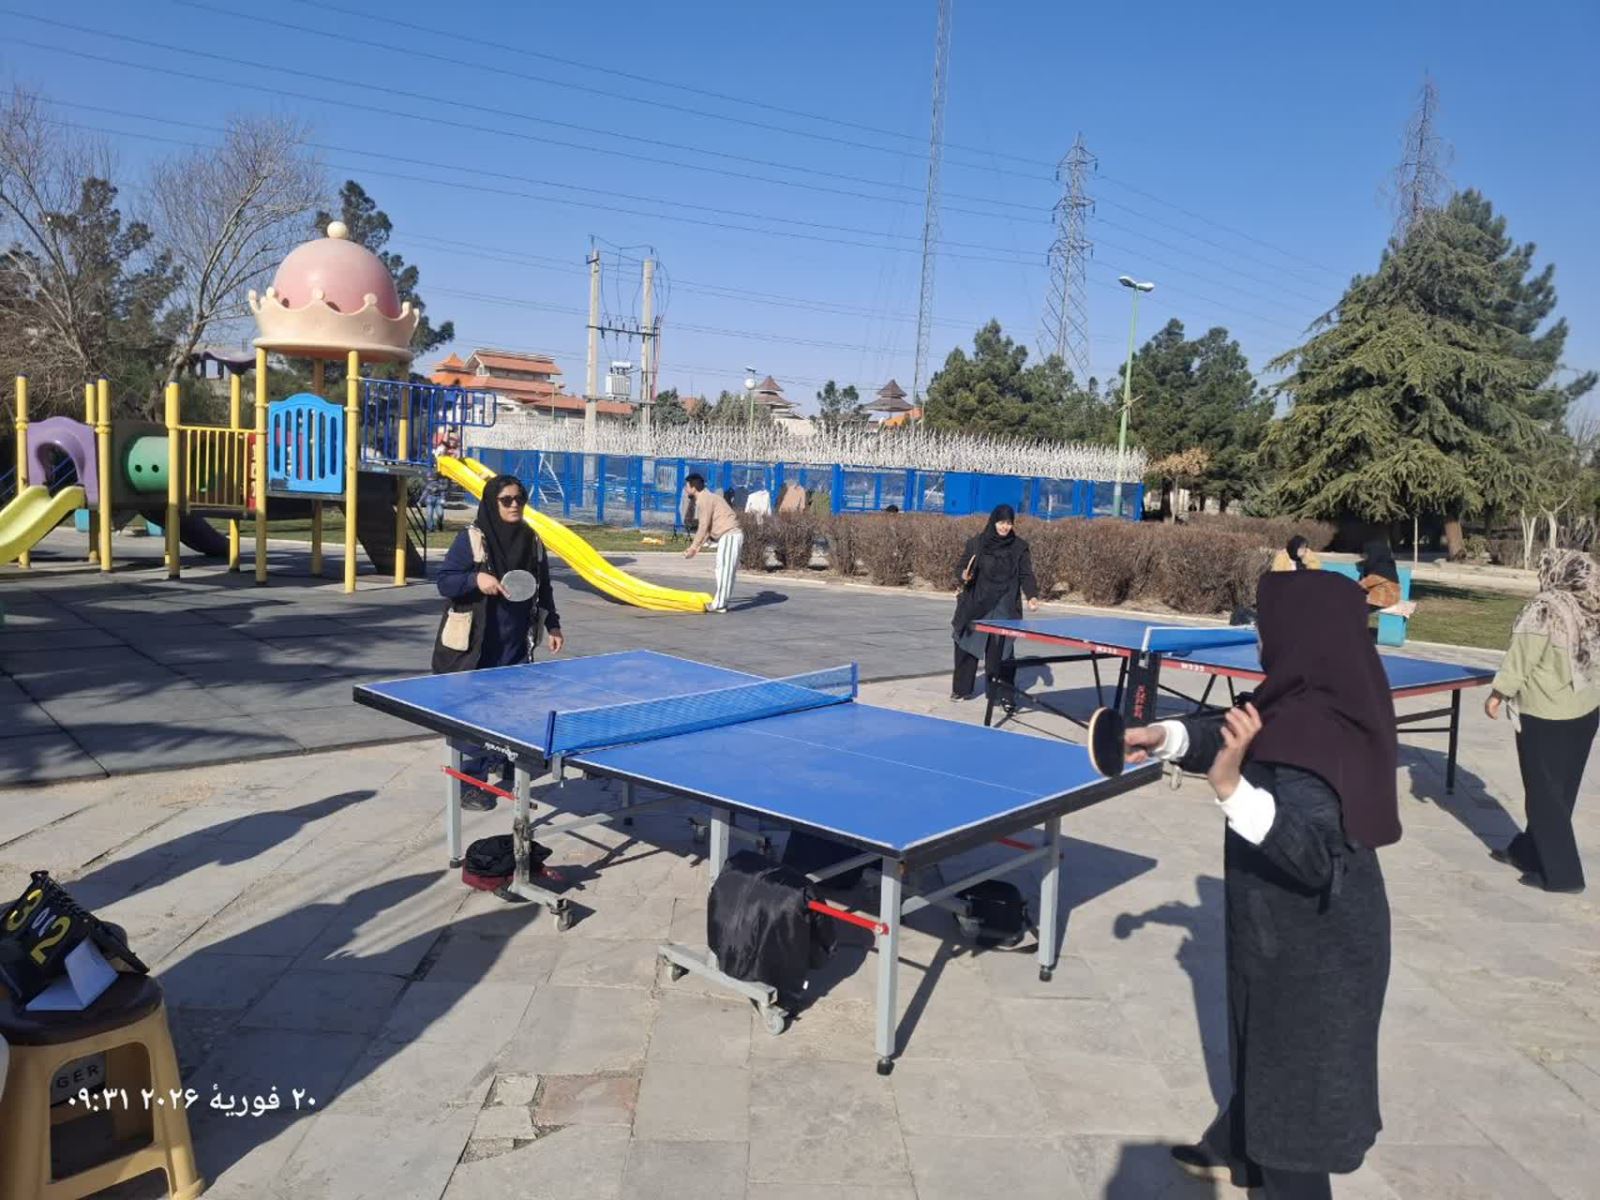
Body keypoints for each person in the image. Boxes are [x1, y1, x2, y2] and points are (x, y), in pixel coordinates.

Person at [1124, 570, 1397, 1199]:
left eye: (1267, 626)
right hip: (1279, 928)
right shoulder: (1312, 695)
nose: (1260, 638)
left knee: (1298, 1098)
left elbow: (1315, 858)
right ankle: (1237, 1147)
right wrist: (1165, 736)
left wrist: (1229, 786)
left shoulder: (1319, 736)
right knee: (1261, 1043)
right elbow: (1242, 728)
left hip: (1318, 950)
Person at [432, 474, 563, 809]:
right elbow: (445, 581)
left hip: (515, 641)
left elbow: (543, 587)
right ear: (493, 503)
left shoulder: (532, 539)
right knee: (474, 711)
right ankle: (471, 783)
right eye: (506, 500)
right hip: (476, 643)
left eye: (520, 499)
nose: (514, 505)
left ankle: (503, 759)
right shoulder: (472, 538)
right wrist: (476, 578)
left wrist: (553, 625)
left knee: (511, 706)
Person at [1485, 548, 1600, 893]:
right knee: (1560, 789)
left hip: (1546, 712)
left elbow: (1522, 657)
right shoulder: (1592, 606)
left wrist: (1498, 693)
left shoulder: (1544, 608)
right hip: (1586, 710)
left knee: (1543, 794)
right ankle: (1527, 851)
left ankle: (1564, 875)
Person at [950, 504, 1039, 701]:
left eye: (1009, 523)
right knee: (966, 645)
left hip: (1004, 605)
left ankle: (1001, 694)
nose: (1005, 527)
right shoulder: (977, 543)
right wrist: (964, 574)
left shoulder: (1019, 547)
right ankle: (961, 689)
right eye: (1001, 522)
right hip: (977, 602)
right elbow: (961, 567)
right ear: (993, 522)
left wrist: (1032, 595)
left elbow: (1026, 574)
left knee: (1002, 651)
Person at [684, 473, 743, 612]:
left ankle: (719, 604)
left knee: (725, 571)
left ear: (693, 488)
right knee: (722, 569)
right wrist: (697, 548)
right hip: (727, 536)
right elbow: (709, 528)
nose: (685, 489)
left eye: (686, 486)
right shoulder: (707, 498)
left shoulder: (705, 499)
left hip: (730, 535)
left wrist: (693, 547)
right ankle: (721, 604)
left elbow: (703, 526)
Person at [1356, 538, 1401, 610]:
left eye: (1368, 554)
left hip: (1385, 600)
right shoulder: (1387, 564)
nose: (1365, 557)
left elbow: (1363, 584)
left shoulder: (1381, 571)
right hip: (1387, 597)